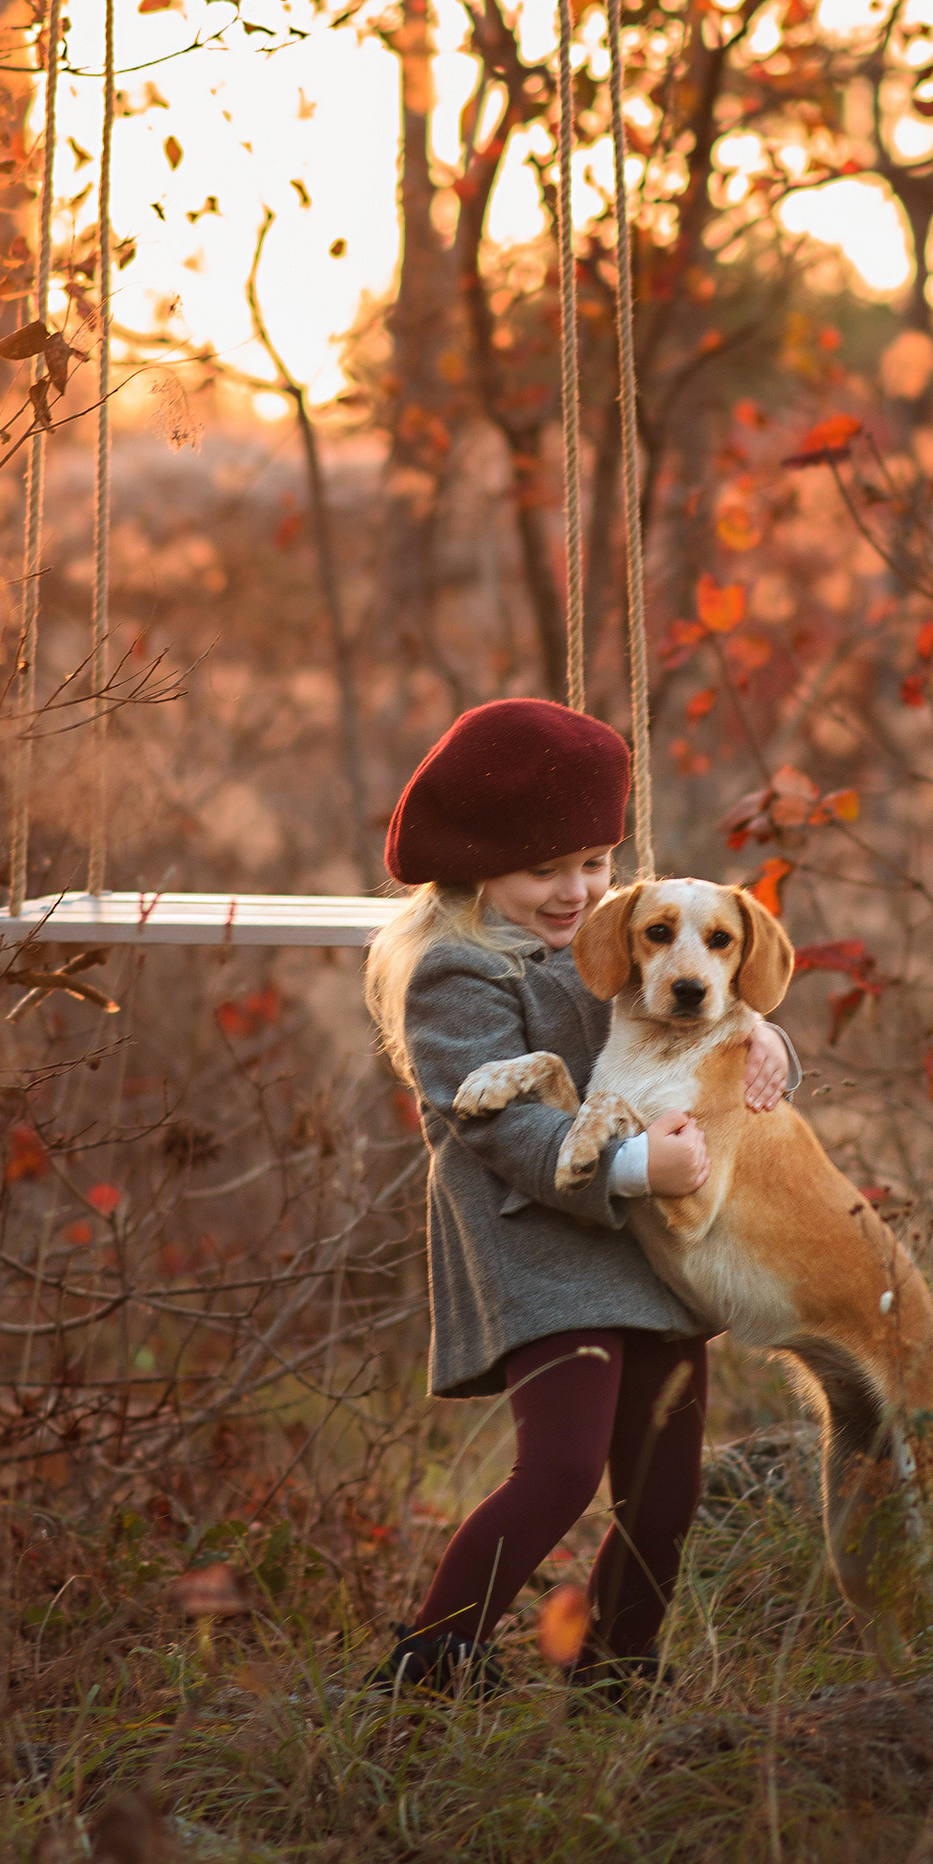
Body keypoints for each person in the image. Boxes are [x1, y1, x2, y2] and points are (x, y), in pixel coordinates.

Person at [363, 696, 791, 1699]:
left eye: (594, 860)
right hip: (545, 1254)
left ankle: (616, 1669)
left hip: (650, 1252)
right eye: (543, 868)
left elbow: (696, 1010)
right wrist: (634, 1168)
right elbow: (501, 1128)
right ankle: (431, 1664)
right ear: (475, 868)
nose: (575, 888)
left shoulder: (616, 938)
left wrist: (765, 1036)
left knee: (666, 1488)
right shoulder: (458, 971)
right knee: (559, 1468)